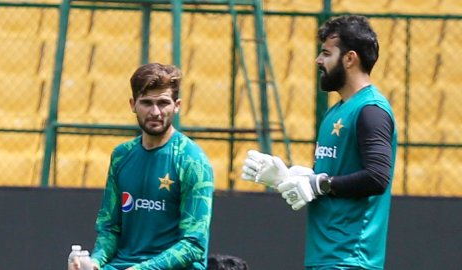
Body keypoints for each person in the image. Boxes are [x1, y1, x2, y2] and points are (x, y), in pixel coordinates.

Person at [242, 15, 397, 270]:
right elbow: (332, 180)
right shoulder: (335, 112)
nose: (318, 60)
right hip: (325, 256)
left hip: (351, 259)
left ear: (349, 59)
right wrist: (289, 177)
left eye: (326, 53)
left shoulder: (371, 110)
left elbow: (377, 177)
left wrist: (319, 184)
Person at [70, 63, 214, 270]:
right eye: (146, 103)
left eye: (163, 103)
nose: (155, 112)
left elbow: (194, 245)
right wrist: (94, 262)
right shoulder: (121, 155)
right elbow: (109, 228)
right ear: (132, 104)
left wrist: (141, 269)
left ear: (177, 105)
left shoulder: (193, 160)